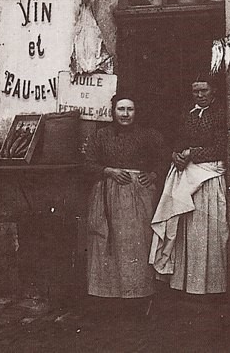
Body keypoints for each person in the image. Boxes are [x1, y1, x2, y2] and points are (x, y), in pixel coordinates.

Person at [150, 75, 228, 295]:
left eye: (204, 91)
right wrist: (176, 154)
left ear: (213, 91)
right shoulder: (188, 114)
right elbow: (178, 140)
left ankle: (209, 285)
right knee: (185, 229)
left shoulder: (221, 114)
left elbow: (222, 147)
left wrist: (192, 153)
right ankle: (183, 282)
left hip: (207, 179)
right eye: (196, 92)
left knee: (207, 229)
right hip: (186, 174)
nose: (200, 96)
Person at [85, 92, 166, 304]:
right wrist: (108, 171)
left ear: (136, 112)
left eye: (130, 109)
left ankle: (137, 294)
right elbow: (88, 164)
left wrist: (153, 175)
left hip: (138, 197)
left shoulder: (149, 135)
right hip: (108, 195)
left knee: (137, 242)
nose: (125, 114)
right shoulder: (100, 136)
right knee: (106, 241)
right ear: (113, 112)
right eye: (121, 109)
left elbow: (163, 160)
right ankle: (108, 296)